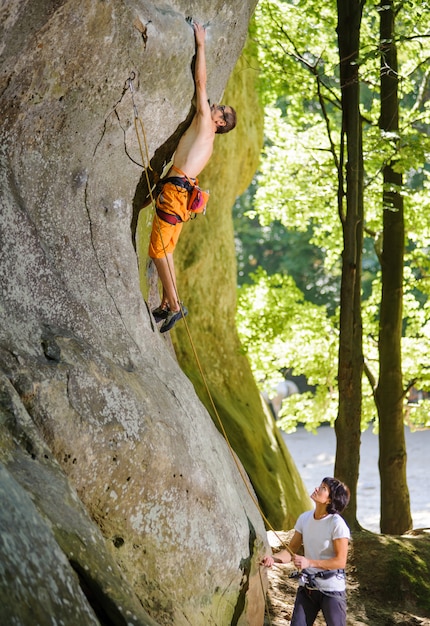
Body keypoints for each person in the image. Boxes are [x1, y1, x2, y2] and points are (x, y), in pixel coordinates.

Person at [148, 20, 237, 333]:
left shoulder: (204, 124)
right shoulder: (208, 138)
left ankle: (174, 305)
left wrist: (201, 44)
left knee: (157, 250)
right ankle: (165, 302)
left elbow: (201, 83)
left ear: (219, 122)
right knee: (167, 250)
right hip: (181, 194)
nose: (214, 104)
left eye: (219, 108)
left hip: (175, 194)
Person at [261, 477, 351, 626]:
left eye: (323, 488)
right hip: (308, 588)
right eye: (319, 486)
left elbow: (340, 562)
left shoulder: (337, 524)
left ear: (329, 500)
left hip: (332, 590)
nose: (316, 488)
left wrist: (309, 562)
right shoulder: (305, 518)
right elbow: (291, 551)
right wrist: (273, 559)